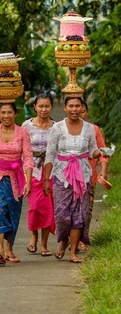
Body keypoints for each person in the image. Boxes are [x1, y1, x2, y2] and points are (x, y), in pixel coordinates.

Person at [43, 96, 104, 263]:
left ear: (82, 108)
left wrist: (101, 153)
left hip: (83, 176)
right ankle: (64, 242)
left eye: (78, 106)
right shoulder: (57, 128)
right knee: (62, 214)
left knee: (79, 214)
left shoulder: (89, 128)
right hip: (61, 176)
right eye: (71, 106)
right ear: (65, 107)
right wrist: (46, 180)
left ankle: (73, 252)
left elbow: (93, 151)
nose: (75, 109)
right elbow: (50, 154)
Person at [0, 102, 34, 265]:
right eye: (3, 112)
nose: (6, 116)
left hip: (16, 179)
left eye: (9, 112)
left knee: (13, 213)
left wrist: (28, 182)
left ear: (15, 114)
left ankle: (9, 248)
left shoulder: (23, 133)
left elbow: (28, 159)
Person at [22, 92, 56, 256]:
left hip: (50, 172)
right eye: (41, 106)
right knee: (35, 207)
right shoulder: (26, 126)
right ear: (34, 107)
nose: (44, 109)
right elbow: (21, 148)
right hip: (31, 170)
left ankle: (43, 244)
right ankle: (33, 235)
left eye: (47, 106)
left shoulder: (56, 127)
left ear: (51, 107)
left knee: (47, 208)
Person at [78, 100, 108, 251]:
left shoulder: (94, 129)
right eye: (75, 109)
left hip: (90, 174)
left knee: (86, 208)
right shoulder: (64, 129)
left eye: (82, 111)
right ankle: (73, 239)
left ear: (87, 112)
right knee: (71, 208)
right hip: (68, 174)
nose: (79, 114)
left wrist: (104, 170)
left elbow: (103, 152)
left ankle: (83, 238)